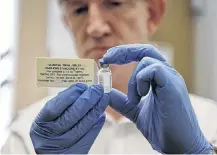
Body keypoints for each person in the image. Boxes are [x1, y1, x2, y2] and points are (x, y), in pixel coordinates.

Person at [2, 0, 217, 154]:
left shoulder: (210, 125)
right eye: (79, 9)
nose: (95, 28)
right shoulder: (30, 135)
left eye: (114, 3)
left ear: (152, 13)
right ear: (67, 22)